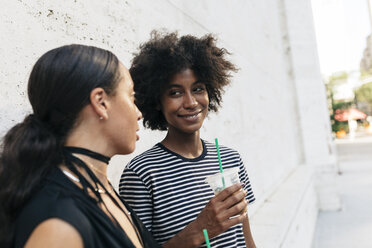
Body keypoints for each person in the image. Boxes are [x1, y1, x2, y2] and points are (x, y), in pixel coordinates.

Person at [0, 44, 161, 248]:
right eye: (131, 96)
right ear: (101, 102)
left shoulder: (99, 188)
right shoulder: (59, 222)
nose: (139, 113)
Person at [119, 32, 256, 248]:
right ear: (157, 101)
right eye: (175, 93)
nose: (191, 102)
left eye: (198, 89)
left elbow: (246, 238)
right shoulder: (141, 173)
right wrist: (202, 228)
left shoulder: (230, 159)